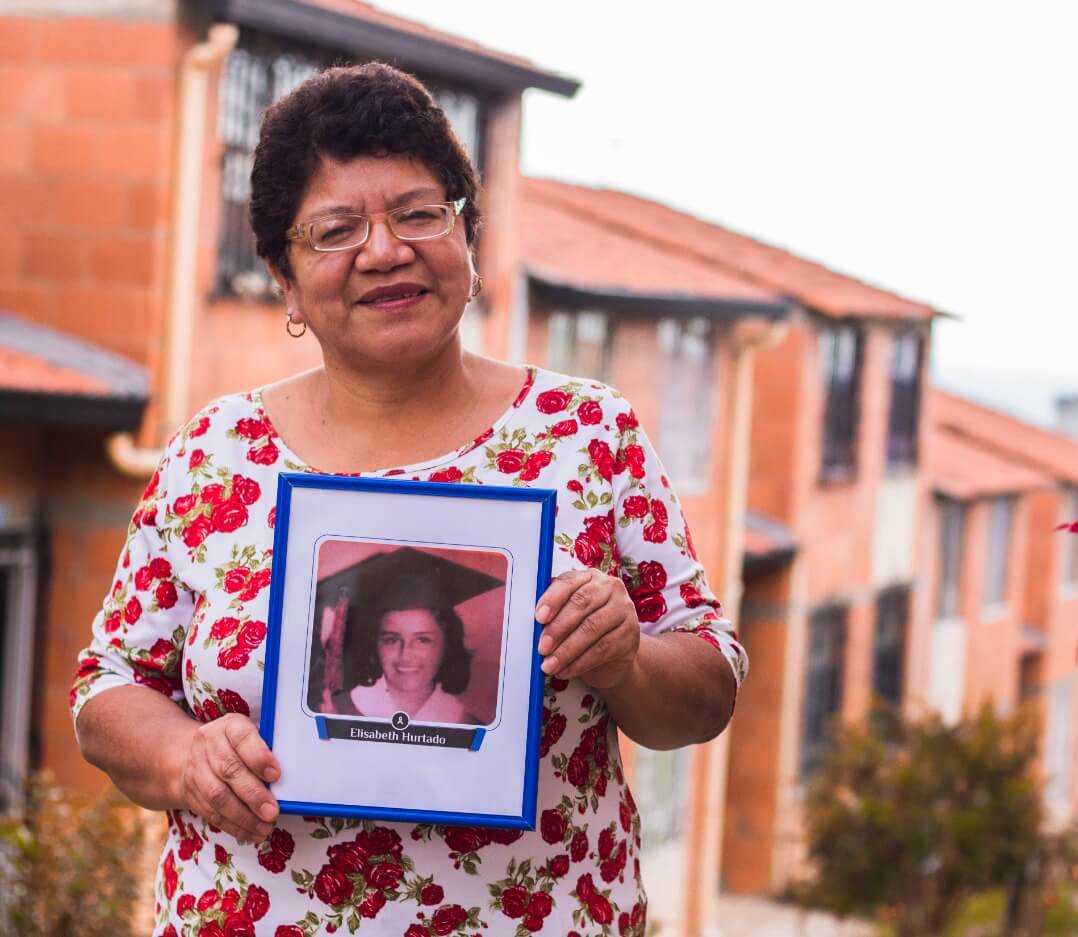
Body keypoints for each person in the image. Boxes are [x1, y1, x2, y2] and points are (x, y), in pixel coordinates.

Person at [70, 62, 747, 936]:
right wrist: (182, 755)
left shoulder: (586, 432)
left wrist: (627, 659)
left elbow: (710, 686)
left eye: (420, 213)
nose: (384, 250)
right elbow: (109, 683)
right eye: (335, 229)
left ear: (468, 238)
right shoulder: (215, 452)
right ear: (283, 277)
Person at [325, 547, 501, 726]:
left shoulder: (471, 727)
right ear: (374, 644)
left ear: (447, 646)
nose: (406, 654)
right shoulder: (336, 711)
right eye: (391, 640)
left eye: (423, 639)